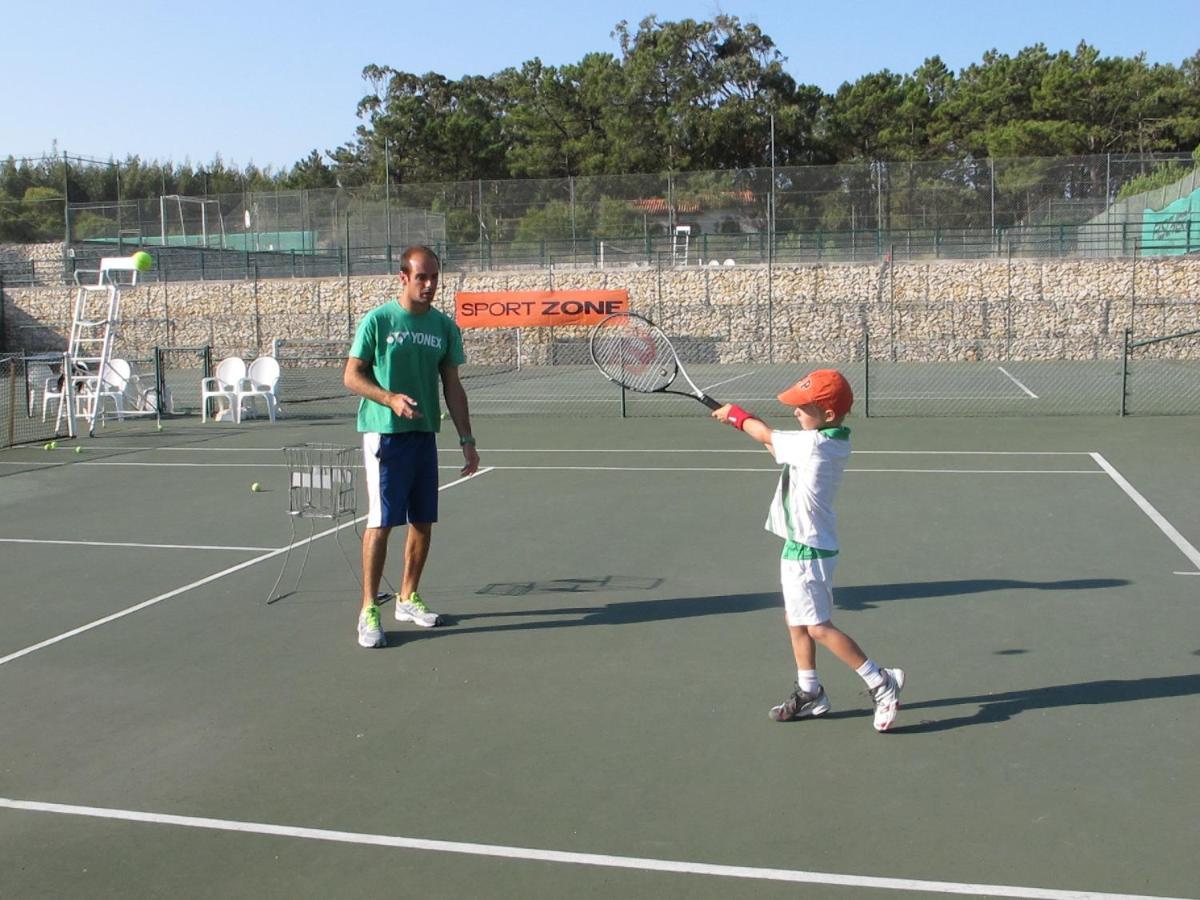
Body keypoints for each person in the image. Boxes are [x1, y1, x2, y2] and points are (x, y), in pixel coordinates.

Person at [711, 369, 905, 732]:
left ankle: (881, 681)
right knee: (795, 619)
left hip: (809, 549)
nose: (796, 411)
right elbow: (774, 445)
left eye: (804, 407)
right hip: (798, 545)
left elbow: (765, 435)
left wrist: (735, 415)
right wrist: (743, 422)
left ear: (828, 414)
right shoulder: (826, 439)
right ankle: (809, 690)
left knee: (816, 626)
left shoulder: (812, 444)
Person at [343, 245, 480, 649]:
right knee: (382, 522)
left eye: (434, 277)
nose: (430, 285)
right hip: (384, 434)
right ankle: (369, 608)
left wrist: (467, 440)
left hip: (424, 436)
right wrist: (389, 399)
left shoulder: (444, 327)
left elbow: (453, 386)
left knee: (422, 520)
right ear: (403, 278)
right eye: (422, 277)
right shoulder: (378, 320)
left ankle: (407, 597)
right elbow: (351, 377)